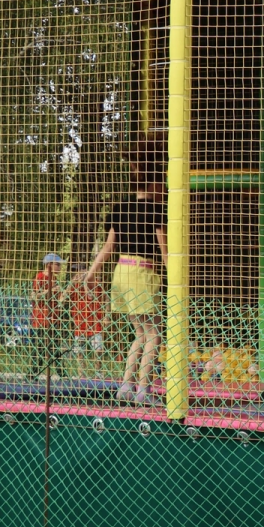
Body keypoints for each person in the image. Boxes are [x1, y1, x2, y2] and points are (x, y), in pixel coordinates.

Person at [79, 144, 167, 407]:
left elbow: (108, 246)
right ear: (154, 184)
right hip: (143, 272)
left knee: (140, 332)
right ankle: (143, 388)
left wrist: (91, 274)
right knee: (154, 333)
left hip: (121, 272)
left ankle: (126, 386)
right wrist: (175, 277)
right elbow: (164, 249)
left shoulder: (119, 208)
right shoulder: (157, 209)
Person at [27, 254, 66, 381]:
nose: (60, 267)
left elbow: (58, 299)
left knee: (55, 348)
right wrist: (50, 290)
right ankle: (32, 374)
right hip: (41, 319)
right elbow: (34, 297)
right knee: (39, 348)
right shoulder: (40, 277)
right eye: (58, 265)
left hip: (54, 319)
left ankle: (62, 374)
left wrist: (63, 297)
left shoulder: (55, 280)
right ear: (49, 265)